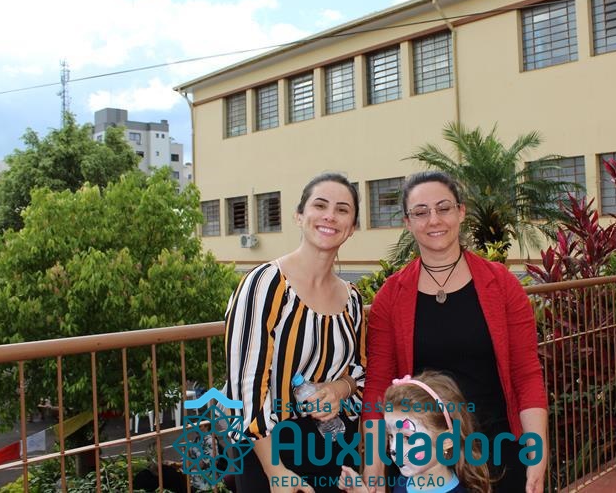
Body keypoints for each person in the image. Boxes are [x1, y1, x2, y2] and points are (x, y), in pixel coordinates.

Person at [362, 171, 548, 493]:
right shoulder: (391, 297)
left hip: (499, 450)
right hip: (424, 460)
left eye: (443, 208)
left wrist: (537, 451)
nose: (434, 219)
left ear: (461, 212)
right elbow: (378, 385)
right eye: (421, 212)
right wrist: (375, 462)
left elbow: (526, 375)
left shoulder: (502, 285)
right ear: (408, 222)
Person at [224, 173, 366, 493]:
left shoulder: (352, 299)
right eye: (320, 205)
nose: (330, 216)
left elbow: (359, 372)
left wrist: (338, 390)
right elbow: (245, 386)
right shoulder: (266, 284)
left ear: (352, 227)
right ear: (299, 216)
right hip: (270, 449)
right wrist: (276, 471)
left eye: (342, 210)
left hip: (332, 445)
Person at [340, 371, 488, 492]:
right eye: (390, 436)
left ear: (447, 441)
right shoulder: (404, 481)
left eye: (407, 437)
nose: (393, 448)